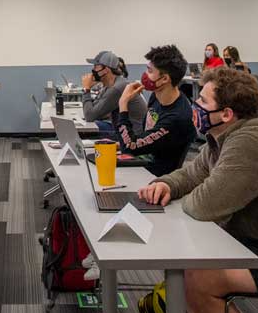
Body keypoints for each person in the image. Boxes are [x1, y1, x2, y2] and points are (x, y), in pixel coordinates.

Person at [138, 68, 258, 313]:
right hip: (245, 238)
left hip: (252, 242)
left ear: (226, 114)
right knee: (186, 263)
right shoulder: (221, 136)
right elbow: (192, 174)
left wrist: (194, 192)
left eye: (203, 101)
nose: (195, 105)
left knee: (198, 278)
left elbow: (204, 206)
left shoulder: (248, 140)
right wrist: (166, 184)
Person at [116, 45, 197, 176]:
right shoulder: (157, 95)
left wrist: (123, 104)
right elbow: (143, 138)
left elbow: (130, 147)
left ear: (164, 79)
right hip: (142, 160)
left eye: (150, 71)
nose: (145, 75)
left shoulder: (177, 117)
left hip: (154, 176)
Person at [81, 51, 146, 133]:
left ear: (106, 70)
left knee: (84, 133)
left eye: (96, 67)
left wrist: (86, 89)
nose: (93, 70)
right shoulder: (108, 86)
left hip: (131, 135)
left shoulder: (117, 88)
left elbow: (90, 116)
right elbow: (94, 110)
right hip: (121, 128)